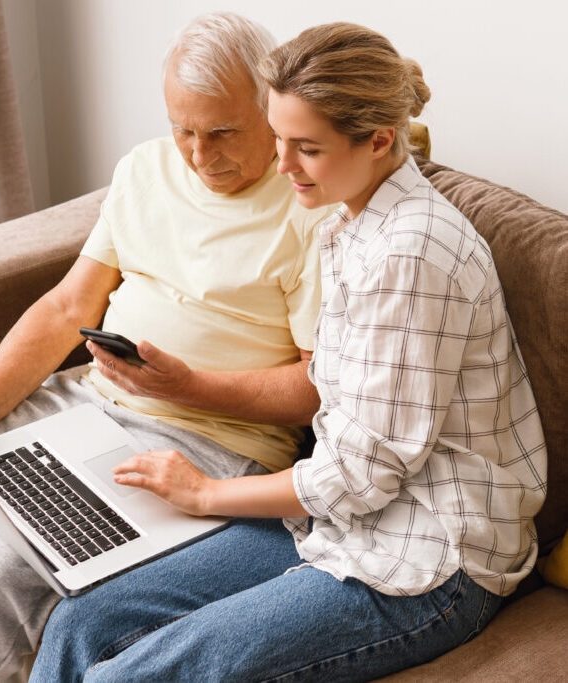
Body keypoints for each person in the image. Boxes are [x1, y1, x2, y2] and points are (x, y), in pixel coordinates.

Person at [31, 21, 548, 682]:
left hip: (430, 560)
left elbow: (359, 477)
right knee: (82, 620)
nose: (280, 167)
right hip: (337, 521)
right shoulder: (347, 223)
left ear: (380, 141)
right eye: (277, 139)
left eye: (304, 148)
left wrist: (206, 490)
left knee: (124, 676)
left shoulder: (412, 253)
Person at [0, 13, 335, 682]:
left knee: (3, 558)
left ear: (270, 109)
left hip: (208, 444)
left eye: (221, 133)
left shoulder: (311, 209)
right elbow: (69, 306)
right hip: (84, 401)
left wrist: (182, 386)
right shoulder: (145, 169)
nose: (198, 155)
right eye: (182, 129)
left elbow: (314, 387)